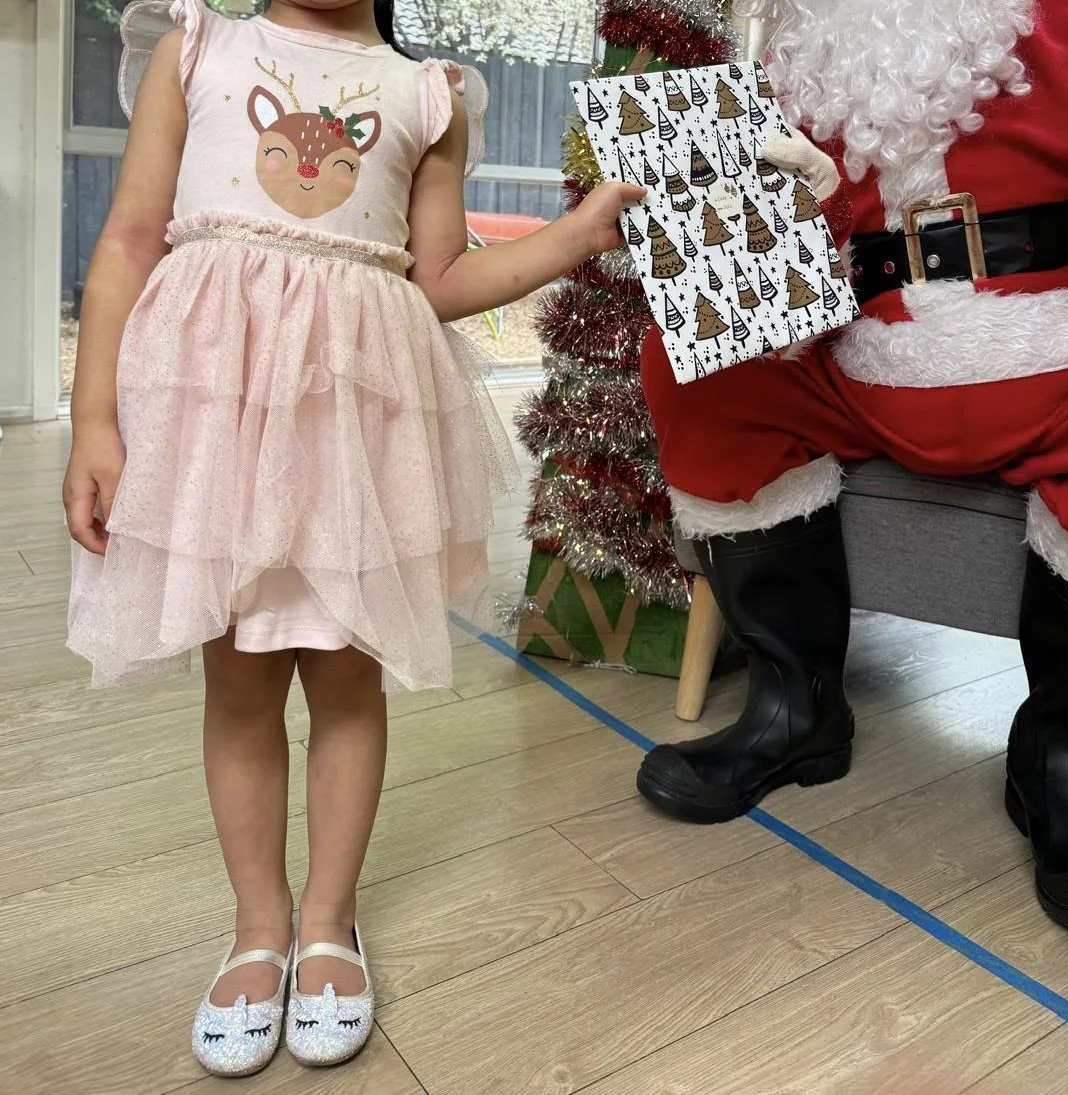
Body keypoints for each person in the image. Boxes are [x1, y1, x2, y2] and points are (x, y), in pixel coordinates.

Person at [63, 0, 641, 1076]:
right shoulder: (199, 48)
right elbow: (132, 237)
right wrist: (94, 418)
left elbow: (442, 281)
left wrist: (573, 237)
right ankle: (256, 930)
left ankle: (328, 922)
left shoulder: (431, 97)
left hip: (354, 431)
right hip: (215, 423)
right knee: (236, 679)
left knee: (343, 677)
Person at [636, 0, 1068, 940]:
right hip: (858, 349)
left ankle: (1056, 763)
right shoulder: (801, 29)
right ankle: (795, 709)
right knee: (695, 359)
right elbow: (774, 247)